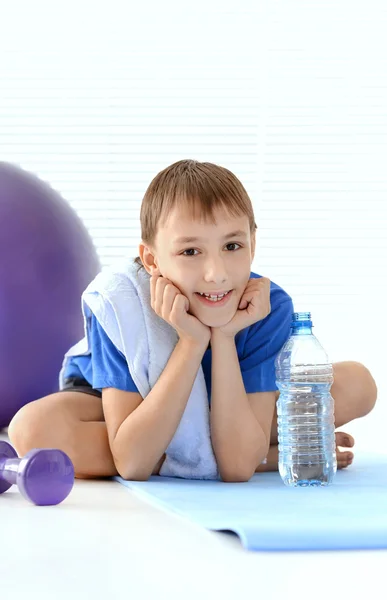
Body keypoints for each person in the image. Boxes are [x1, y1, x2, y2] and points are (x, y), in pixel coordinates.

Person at [8, 160, 378, 482]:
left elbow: (236, 470)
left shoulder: (265, 304)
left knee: (358, 384)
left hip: (229, 399)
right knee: (32, 428)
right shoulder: (121, 303)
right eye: (190, 252)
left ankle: (205, 444)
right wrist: (190, 342)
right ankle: (257, 450)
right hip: (131, 400)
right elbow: (133, 462)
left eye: (232, 246)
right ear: (151, 261)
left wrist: (225, 334)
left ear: (253, 242)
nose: (216, 274)